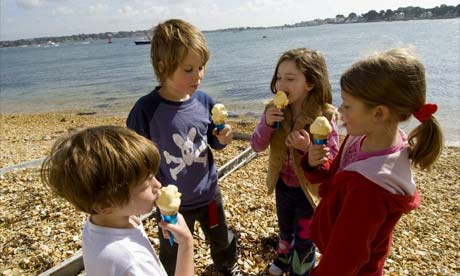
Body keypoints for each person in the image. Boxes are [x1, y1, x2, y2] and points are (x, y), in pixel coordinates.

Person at [297, 48, 443, 275]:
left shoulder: (370, 188)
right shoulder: (359, 137)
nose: (339, 110)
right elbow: (335, 181)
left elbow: (345, 259)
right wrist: (316, 165)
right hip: (337, 244)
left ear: (379, 113)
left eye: (347, 104)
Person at [126, 19, 240, 276]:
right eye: (188, 69)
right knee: (173, 248)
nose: (198, 75)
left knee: (221, 237)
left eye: (201, 67)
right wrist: (134, 202)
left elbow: (211, 141)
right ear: (163, 67)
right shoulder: (146, 110)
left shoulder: (204, 101)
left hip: (209, 193)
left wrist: (222, 139)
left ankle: (226, 266)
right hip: (170, 203)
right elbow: (133, 161)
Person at [40, 126, 194, 276]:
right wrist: (186, 244)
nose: (158, 185)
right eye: (147, 182)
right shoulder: (132, 260)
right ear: (106, 205)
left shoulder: (103, 222)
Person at [251, 48, 339, 276]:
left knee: (304, 235)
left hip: (308, 190)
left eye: (290, 79)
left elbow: (333, 158)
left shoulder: (325, 115)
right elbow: (257, 145)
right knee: (285, 227)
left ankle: (302, 269)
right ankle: (283, 256)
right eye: (279, 78)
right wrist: (267, 125)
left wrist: (308, 149)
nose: (281, 84)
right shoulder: (272, 110)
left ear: (310, 83)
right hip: (282, 183)